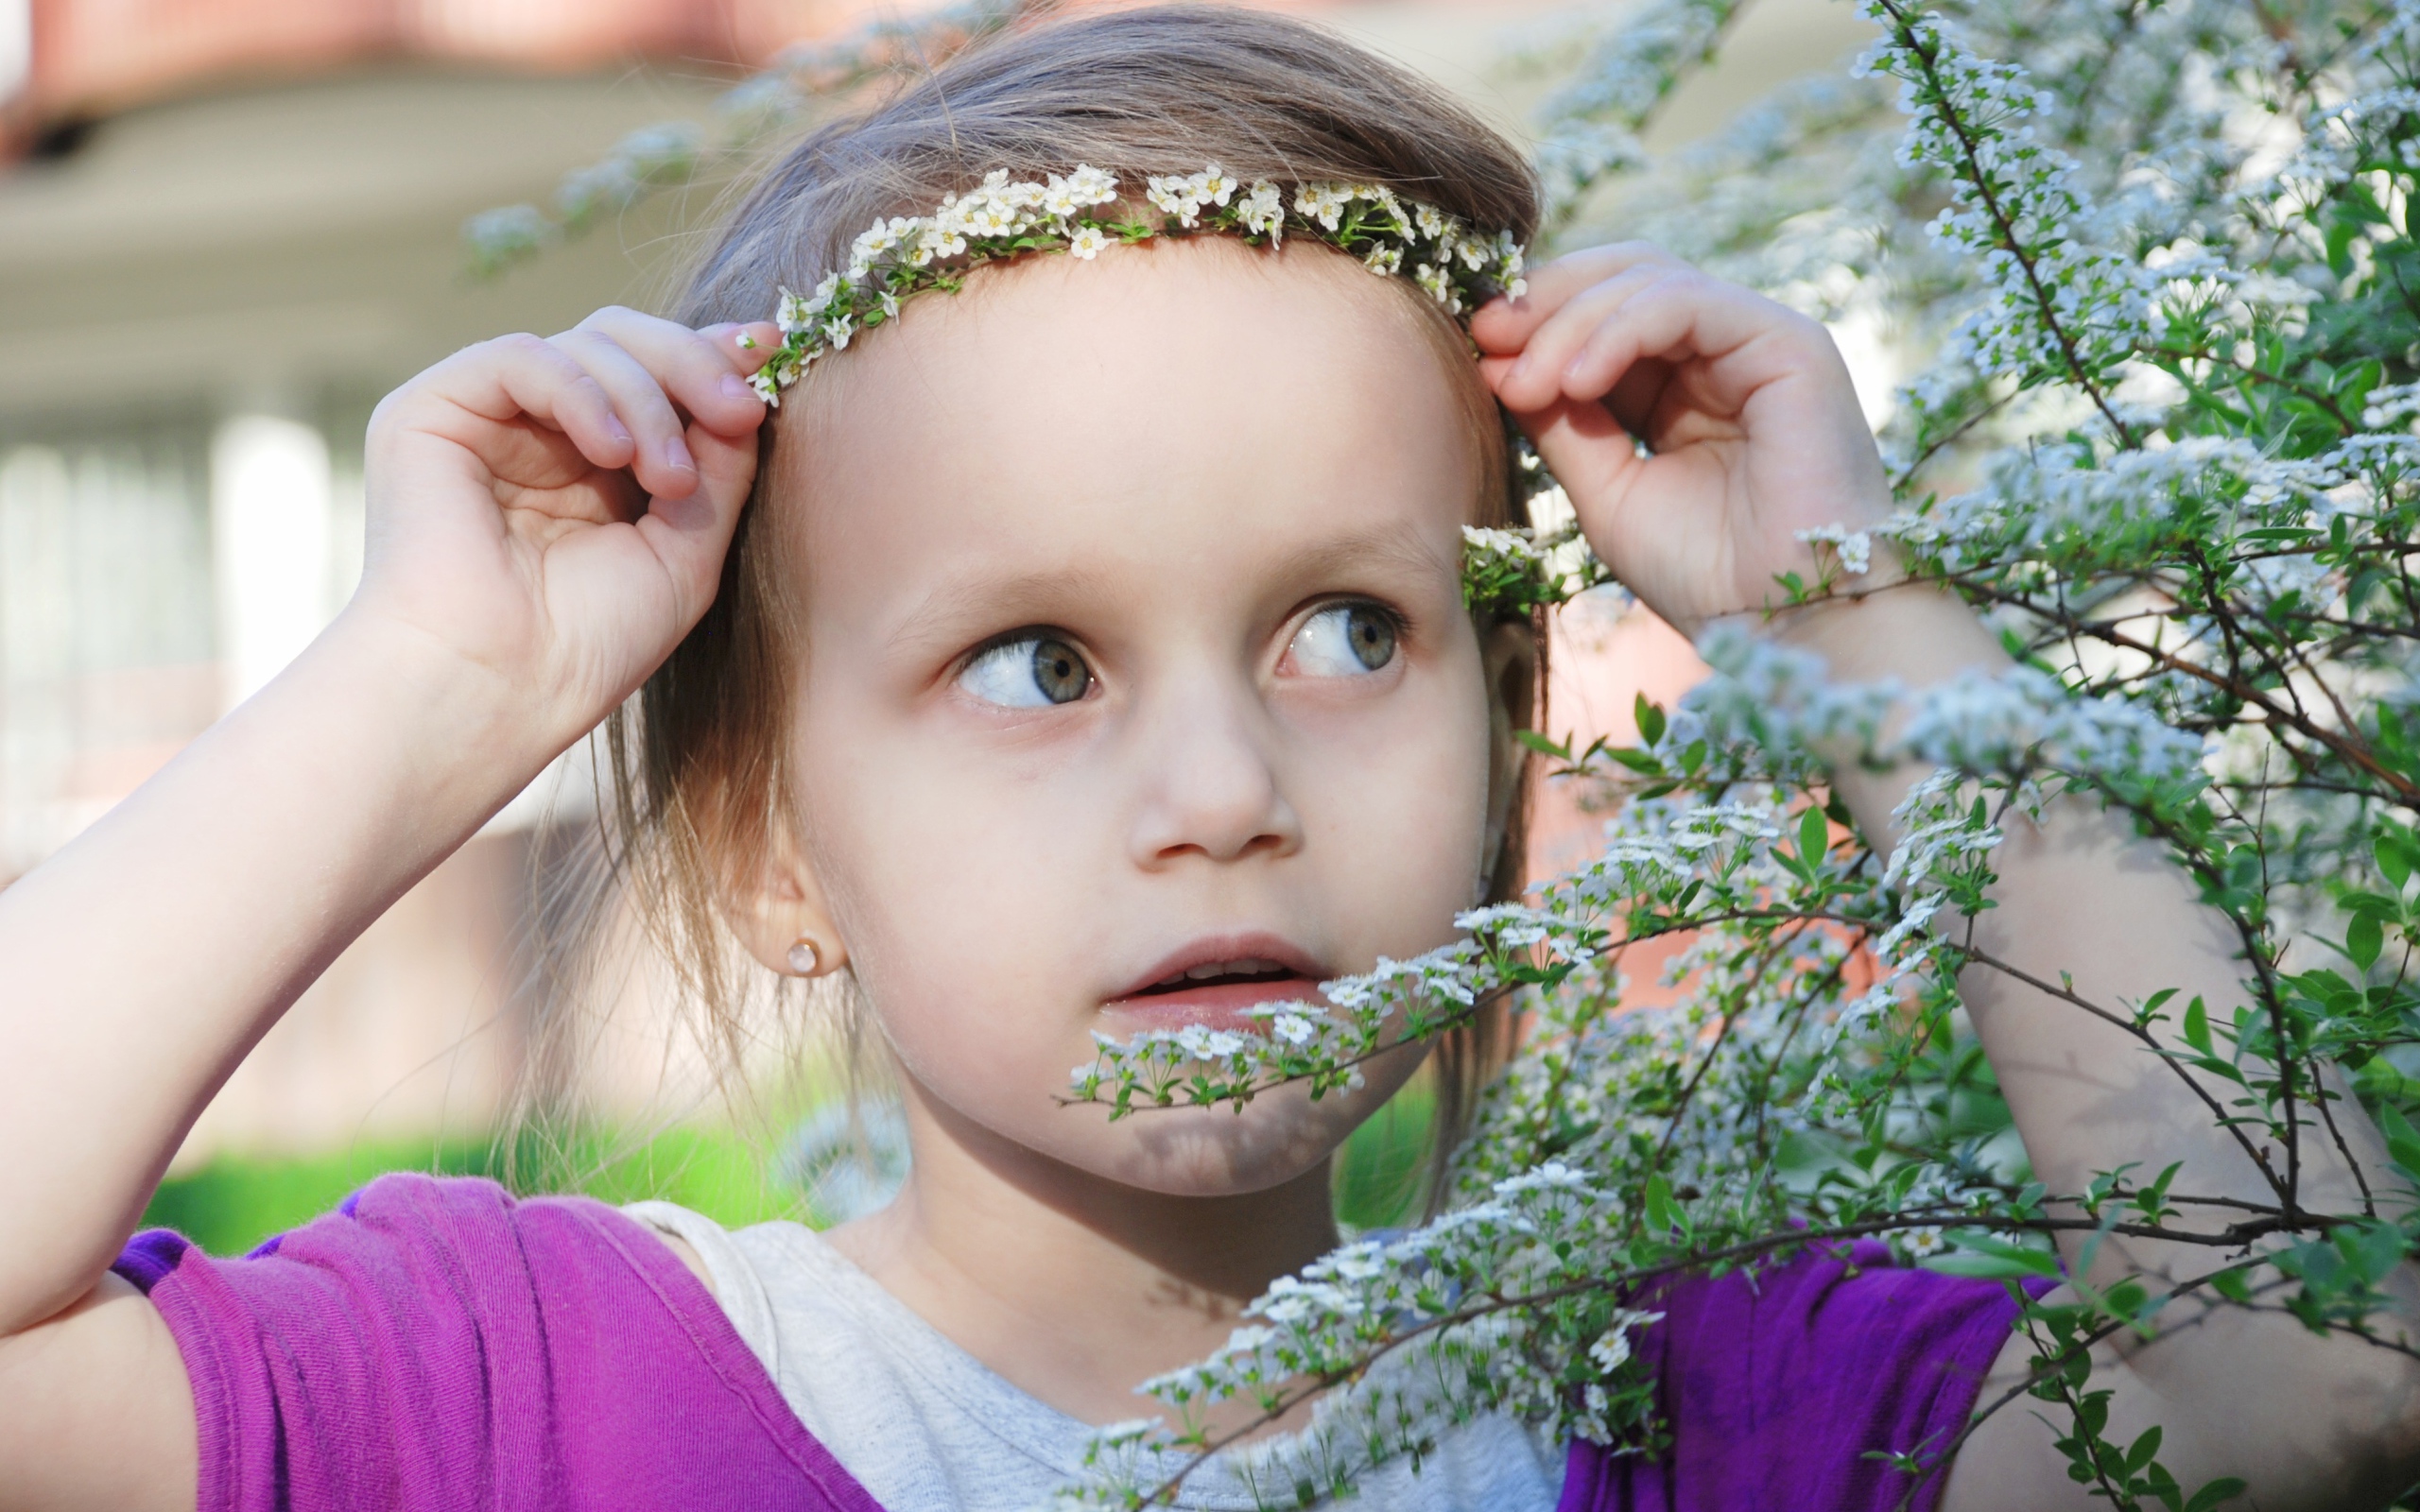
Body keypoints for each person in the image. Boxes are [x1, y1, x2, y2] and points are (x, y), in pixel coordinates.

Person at [2, 8, 2416, 1511]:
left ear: (1499, 752)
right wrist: (426, 675)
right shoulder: (524, 1406)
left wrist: (1863, 619)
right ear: (763, 843)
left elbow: (2308, 1382)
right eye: (1037, 660)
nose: (1218, 780)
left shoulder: (1693, 1402)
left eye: (1349, 627)